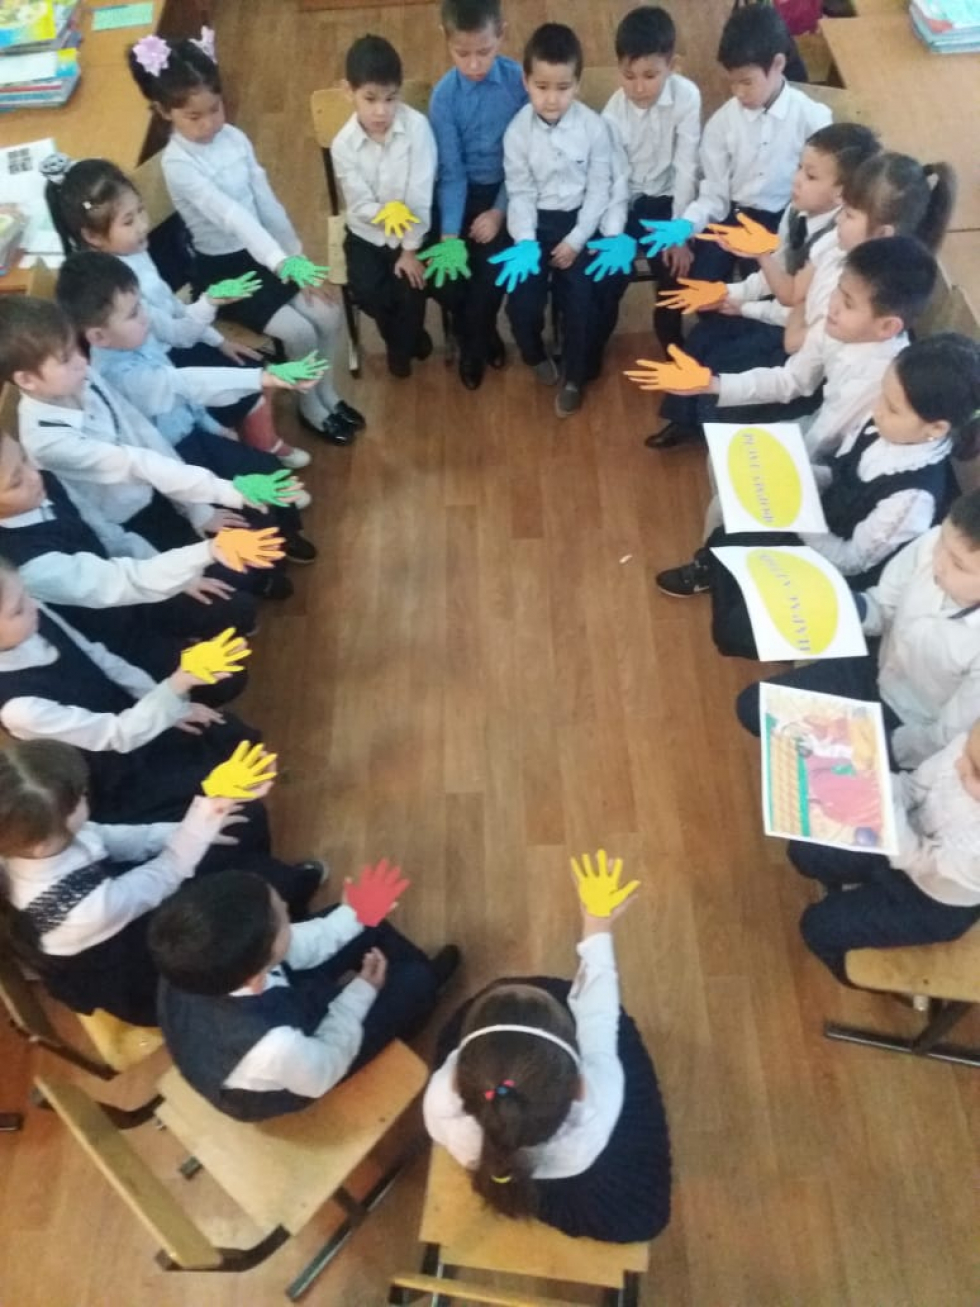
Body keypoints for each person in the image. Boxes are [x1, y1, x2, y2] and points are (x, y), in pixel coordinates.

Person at [657, 236, 940, 597]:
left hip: (831, 462)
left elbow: (830, 444)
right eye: (838, 291)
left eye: (848, 303)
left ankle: (718, 562)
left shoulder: (880, 376)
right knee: (725, 464)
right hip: (818, 430)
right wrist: (713, 384)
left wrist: (776, 480)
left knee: (730, 497)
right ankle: (733, 543)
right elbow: (792, 380)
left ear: (887, 327)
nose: (832, 306)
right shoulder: (838, 326)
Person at [128, 32, 363, 445]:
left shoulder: (235, 138)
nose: (209, 124)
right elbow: (233, 217)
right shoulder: (179, 163)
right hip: (227, 272)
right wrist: (282, 263)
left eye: (215, 109)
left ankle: (327, 395)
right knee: (299, 332)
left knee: (328, 314)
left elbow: (266, 204)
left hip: (266, 253)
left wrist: (296, 257)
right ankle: (310, 407)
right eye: (194, 117)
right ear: (164, 111)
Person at [423, 855, 670, 1244]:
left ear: (458, 1077)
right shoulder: (600, 1103)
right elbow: (600, 1017)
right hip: (576, 1174)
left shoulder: (440, 1102)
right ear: (579, 1086)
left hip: (508, 1166)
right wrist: (597, 927)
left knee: (488, 1007)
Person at [651, 149, 957, 451]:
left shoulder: (863, 344)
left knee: (728, 394)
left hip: (816, 407)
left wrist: (762, 305)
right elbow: (797, 308)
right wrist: (713, 380)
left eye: (849, 214)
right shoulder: (838, 261)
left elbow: (798, 326)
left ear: (883, 233)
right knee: (712, 349)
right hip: (806, 374)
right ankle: (694, 423)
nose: (838, 220)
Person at [0, 297, 288, 605]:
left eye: (76, 348)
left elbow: (143, 435)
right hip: (130, 527)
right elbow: (135, 466)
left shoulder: (79, 377)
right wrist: (227, 494)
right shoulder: (47, 441)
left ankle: (261, 578)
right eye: (65, 358)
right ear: (26, 379)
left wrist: (197, 508)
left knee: (248, 533)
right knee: (219, 586)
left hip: (159, 492)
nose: (82, 360)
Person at [0, 738, 297, 1026]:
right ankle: (286, 896)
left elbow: (119, 839)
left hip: (124, 896)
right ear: (42, 842)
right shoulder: (82, 907)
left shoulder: (36, 837)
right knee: (246, 894)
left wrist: (190, 826)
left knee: (242, 824)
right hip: (138, 964)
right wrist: (209, 813)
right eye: (78, 798)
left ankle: (271, 882)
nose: (85, 795)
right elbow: (166, 873)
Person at [43, 153, 309, 468]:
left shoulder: (131, 253)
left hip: (173, 342)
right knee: (249, 386)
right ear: (92, 236)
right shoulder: (119, 289)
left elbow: (173, 307)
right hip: (165, 357)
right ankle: (262, 446)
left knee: (250, 371)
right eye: (128, 221)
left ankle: (257, 442)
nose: (143, 225)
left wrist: (218, 340)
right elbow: (177, 336)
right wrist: (210, 305)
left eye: (140, 210)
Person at [56, 251, 316, 564]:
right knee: (240, 518)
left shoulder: (136, 329)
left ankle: (288, 538)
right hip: (173, 458)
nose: (145, 315)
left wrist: (210, 301)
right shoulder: (118, 374)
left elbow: (181, 337)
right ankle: (268, 561)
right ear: (98, 336)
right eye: (133, 313)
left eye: (141, 304)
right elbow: (184, 385)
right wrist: (263, 377)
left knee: (267, 468)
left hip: (194, 434)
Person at [149, 865, 460, 1121]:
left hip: (254, 1021)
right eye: (281, 918)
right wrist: (361, 993)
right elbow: (326, 1066)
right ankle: (420, 998)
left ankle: (412, 983)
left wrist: (356, 913)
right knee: (416, 983)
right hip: (299, 1071)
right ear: (257, 974)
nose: (286, 906)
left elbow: (309, 940)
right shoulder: (276, 1046)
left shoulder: (193, 958)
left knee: (362, 921)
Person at [649, 122, 880, 449]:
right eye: (799, 167)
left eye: (811, 176)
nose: (796, 179)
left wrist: (746, 307)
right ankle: (685, 419)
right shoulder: (796, 211)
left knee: (728, 357)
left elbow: (801, 312)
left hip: (798, 338)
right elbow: (777, 271)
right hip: (786, 316)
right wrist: (730, 295)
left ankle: (714, 435)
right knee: (705, 334)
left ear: (841, 194)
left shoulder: (837, 248)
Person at [737, 479, 980, 772]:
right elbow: (882, 606)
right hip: (875, 670)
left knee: (817, 770)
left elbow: (944, 737)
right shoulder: (931, 545)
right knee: (754, 706)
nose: (938, 562)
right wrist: (834, 604)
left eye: (959, 565)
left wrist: (864, 749)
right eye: (942, 542)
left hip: (910, 727)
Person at [0, 555, 262, 826]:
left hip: (137, 717)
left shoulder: (35, 615)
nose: (33, 605)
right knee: (241, 812)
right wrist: (177, 685)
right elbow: (117, 736)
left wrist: (170, 704)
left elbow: (100, 658)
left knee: (234, 738)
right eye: (17, 610)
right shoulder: (20, 709)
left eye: (26, 594)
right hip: (117, 774)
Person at [0, 431, 269, 661]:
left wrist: (182, 577)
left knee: (237, 600)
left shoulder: (46, 483)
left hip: (135, 585)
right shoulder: (25, 561)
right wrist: (207, 552)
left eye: (25, 459)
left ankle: (191, 634)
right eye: (16, 482)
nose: (34, 476)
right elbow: (122, 582)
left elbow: (110, 535)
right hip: (113, 631)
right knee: (220, 680)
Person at [787, 721, 980, 983]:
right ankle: (854, 891)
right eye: (965, 747)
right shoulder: (968, 752)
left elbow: (917, 858)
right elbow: (913, 787)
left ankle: (858, 977)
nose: (959, 764)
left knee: (818, 928)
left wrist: (884, 802)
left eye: (974, 772)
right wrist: (873, 779)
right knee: (804, 853)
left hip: (931, 902)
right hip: (902, 834)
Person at [501, 23, 617, 418]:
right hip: (533, 225)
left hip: (578, 224)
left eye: (563, 87)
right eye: (542, 86)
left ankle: (575, 377)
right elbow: (520, 193)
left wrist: (577, 239)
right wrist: (526, 242)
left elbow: (599, 190)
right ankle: (534, 353)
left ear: (577, 85)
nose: (552, 98)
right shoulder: (517, 132)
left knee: (582, 301)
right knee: (522, 299)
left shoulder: (593, 128)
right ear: (526, 82)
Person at [674, 4, 831, 288]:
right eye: (732, 83)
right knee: (698, 287)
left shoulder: (813, 119)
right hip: (732, 214)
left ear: (778, 64)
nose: (738, 93)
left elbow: (822, 191)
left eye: (746, 82)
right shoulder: (721, 124)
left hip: (782, 220)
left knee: (765, 288)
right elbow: (715, 196)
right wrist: (686, 224)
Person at [428, 0, 527, 391]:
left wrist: (499, 211)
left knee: (494, 272)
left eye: (484, 52)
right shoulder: (444, 97)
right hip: (457, 193)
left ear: (502, 33)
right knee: (445, 276)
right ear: (445, 39)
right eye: (462, 53)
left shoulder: (519, 83)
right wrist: (450, 236)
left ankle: (472, 343)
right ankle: (481, 331)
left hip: (507, 190)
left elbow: (523, 162)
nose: (473, 65)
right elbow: (451, 174)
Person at [331, 35, 438, 380]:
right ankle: (408, 341)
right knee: (368, 293)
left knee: (411, 290)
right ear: (348, 91)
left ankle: (400, 350)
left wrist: (410, 250)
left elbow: (420, 195)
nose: (381, 111)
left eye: (391, 98)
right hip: (367, 233)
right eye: (370, 98)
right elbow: (359, 204)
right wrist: (384, 213)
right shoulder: (343, 145)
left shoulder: (417, 128)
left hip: (412, 231)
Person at [597, 5, 702, 354]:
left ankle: (669, 336)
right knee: (609, 272)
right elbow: (615, 182)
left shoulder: (687, 97)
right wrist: (614, 235)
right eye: (629, 76)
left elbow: (686, 167)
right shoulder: (612, 115)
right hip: (627, 202)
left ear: (672, 65)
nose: (639, 87)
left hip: (669, 201)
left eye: (650, 75)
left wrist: (679, 232)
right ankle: (593, 344)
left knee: (675, 270)